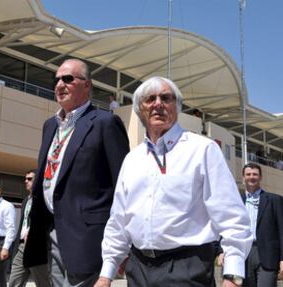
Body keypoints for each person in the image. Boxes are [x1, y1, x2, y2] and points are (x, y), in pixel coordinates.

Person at [94, 76, 252, 287]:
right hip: (139, 267)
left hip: (187, 267)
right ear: (141, 109)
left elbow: (232, 216)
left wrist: (232, 274)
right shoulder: (132, 159)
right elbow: (119, 220)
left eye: (165, 98)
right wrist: (106, 274)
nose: (158, 103)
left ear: (176, 107)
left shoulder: (202, 150)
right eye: (150, 99)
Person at [23, 59, 130, 287]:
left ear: (87, 85)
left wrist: (123, 243)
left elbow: (124, 186)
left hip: (88, 237)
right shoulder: (50, 126)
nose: (60, 84)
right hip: (50, 233)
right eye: (57, 80)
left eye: (68, 79)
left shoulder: (105, 123)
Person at [218, 163, 283, 287]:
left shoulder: (275, 200)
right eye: (248, 174)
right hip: (241, 253)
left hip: (267, 255)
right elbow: (227, 227)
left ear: (260, 177)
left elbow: (282, 231)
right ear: (243, 178)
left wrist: (282, 259)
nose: (251, 177)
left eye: (255, 174)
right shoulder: (235, 201)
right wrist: (222, 251)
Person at [9, 170, 51, 287]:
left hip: (38, 247)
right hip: (22, 247)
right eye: (25, 178)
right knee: (14, 281)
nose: (25, 181)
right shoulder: (26, 201)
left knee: (43, 283)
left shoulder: (45, 200)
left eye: (29, 179)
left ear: (38, 180)